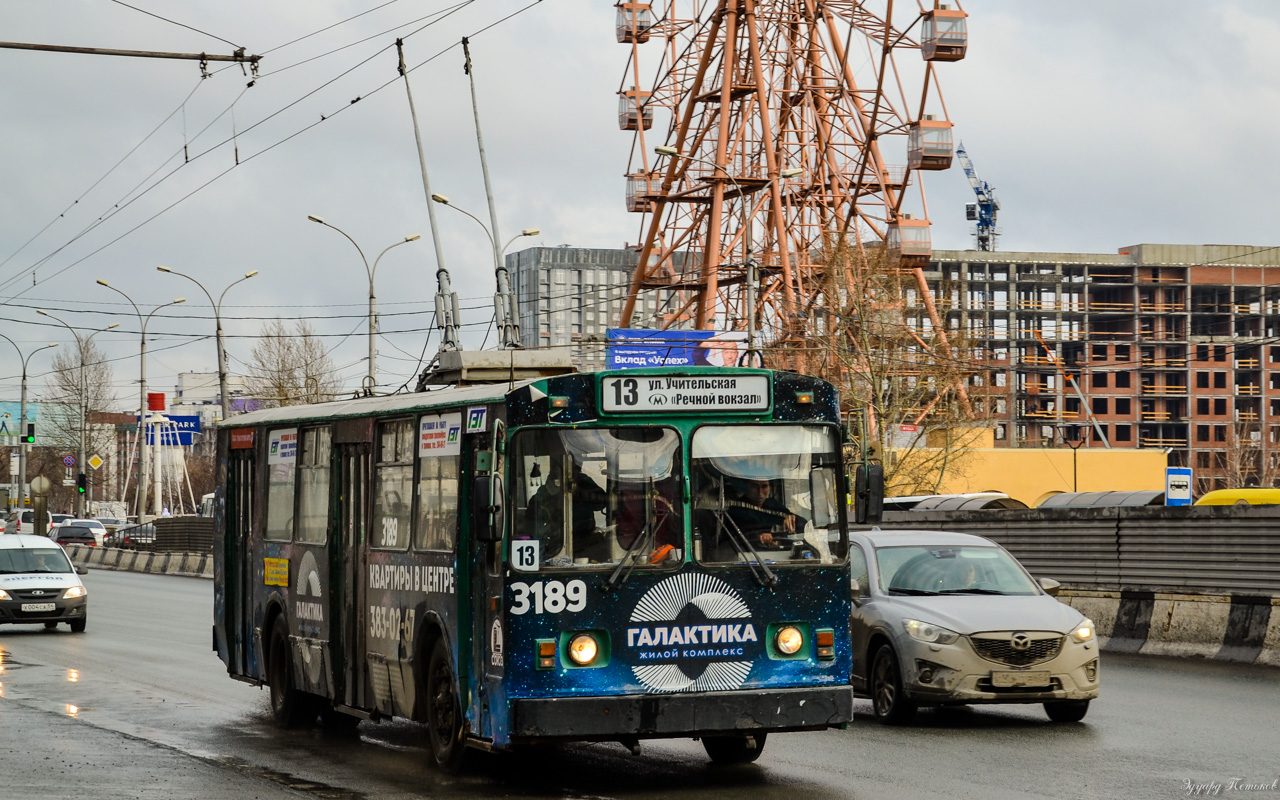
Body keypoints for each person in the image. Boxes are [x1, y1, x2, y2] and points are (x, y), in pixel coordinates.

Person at [528, 459, 606, 561]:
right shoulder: (544, 492)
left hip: (586, 542)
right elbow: (532, 519)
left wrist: (579, 491)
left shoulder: (583, 481)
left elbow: (601, 503)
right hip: (555, 545)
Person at [725, 478, 805, 548]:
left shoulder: (772, 505)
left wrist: (793, 519)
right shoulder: (736, 509)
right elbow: (734, 537)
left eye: (764, 486)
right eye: (754, 486)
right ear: (747, 486)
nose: (760, 492)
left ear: (769, 487)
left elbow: (804, 526)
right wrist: (759, 536)